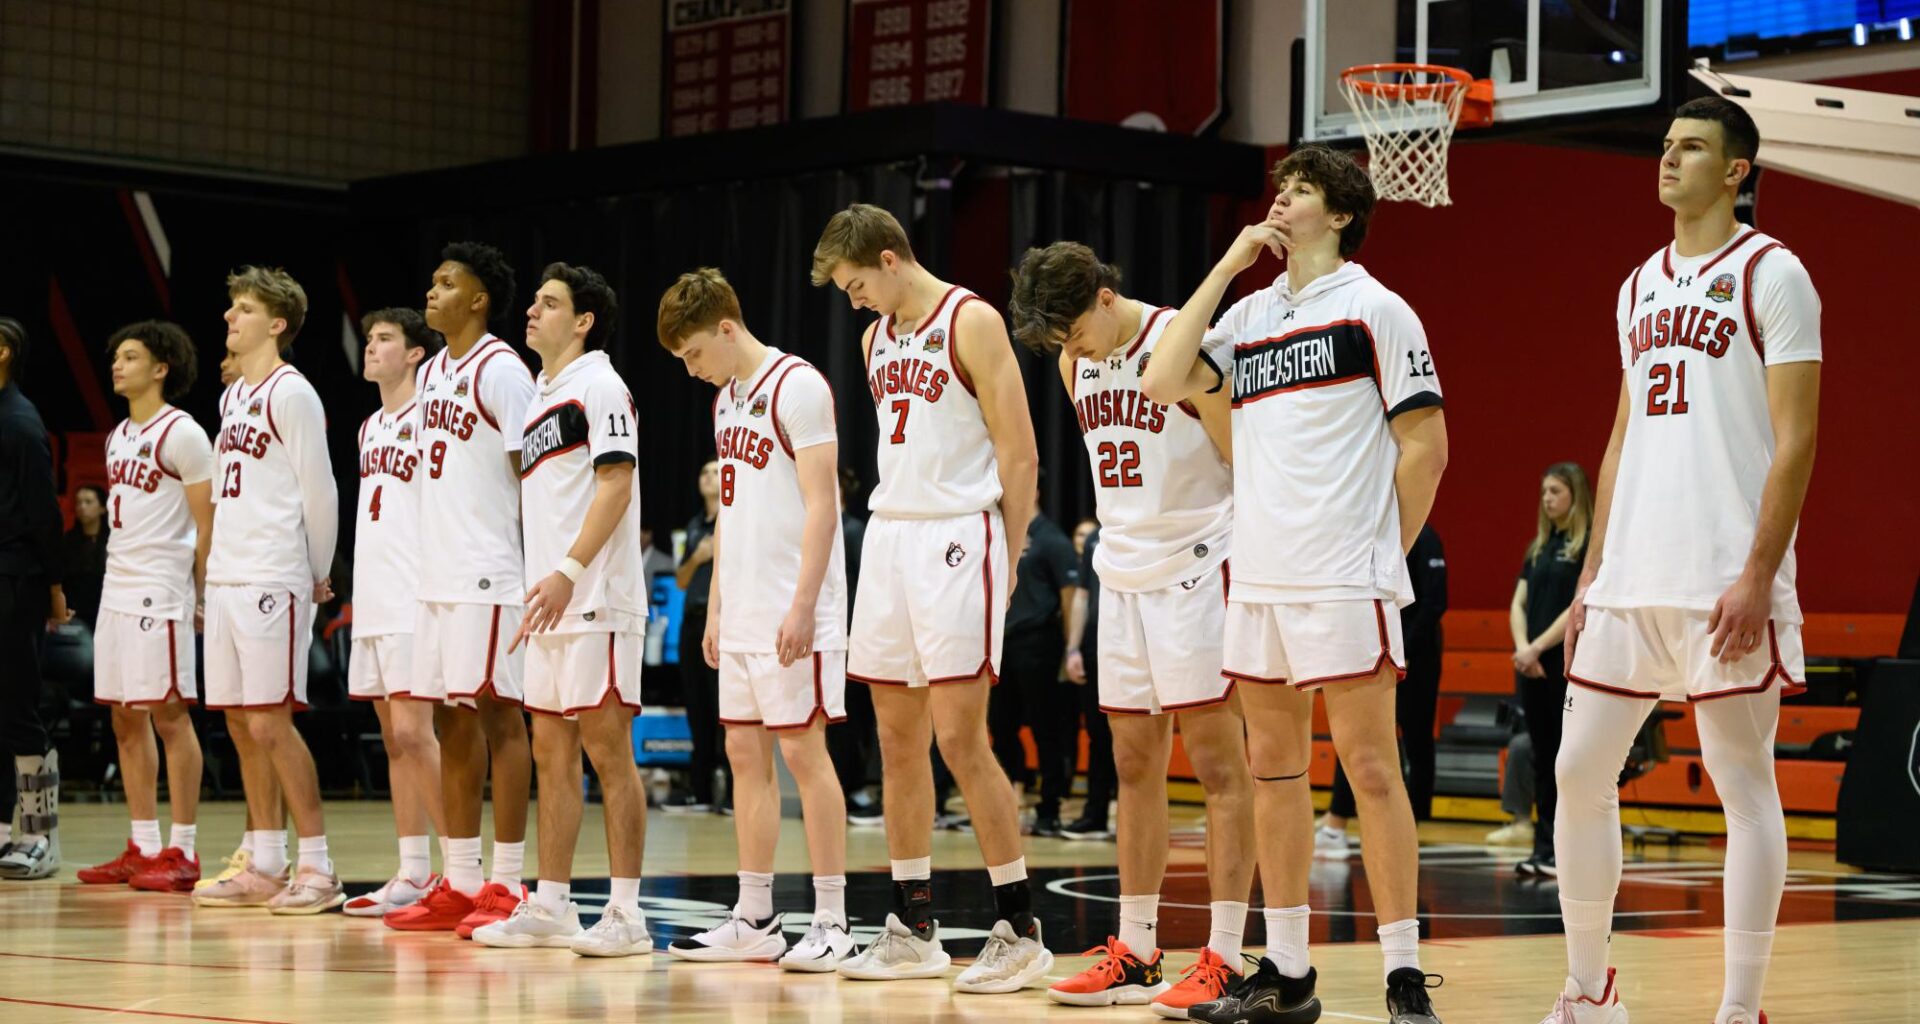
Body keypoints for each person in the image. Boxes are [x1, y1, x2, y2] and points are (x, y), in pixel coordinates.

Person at [1143, 145, 1449, 1024]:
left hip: (1344, 573)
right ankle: (1285, 970)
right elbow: (1163, 378)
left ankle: (1400, 972)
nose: (1282, 199)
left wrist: (1384, 552)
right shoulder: (1249, 314)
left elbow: (1426, 446)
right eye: (1280, 187)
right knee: (1275, 774)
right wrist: (1230, 263)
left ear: (1342, 214)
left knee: (1371, 772)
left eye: (1302, 189)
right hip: (1262, 575)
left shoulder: (1378, 309)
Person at [1541, 96, 1820, 1024]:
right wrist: (1592, 570)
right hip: (1630, 578)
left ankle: (1741, 1010)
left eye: (1692, 147)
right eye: (1665, 146)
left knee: (1744, 783)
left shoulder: (1774, 274)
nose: (1669, 160)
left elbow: (1797, 442)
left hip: (1720, 577)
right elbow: (1619, 440)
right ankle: (1589, 992)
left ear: (1736, 170)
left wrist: (1756, 573)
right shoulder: (1637, 283)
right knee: (1579, 773)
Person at [1008, 241, 1258, 1016]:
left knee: (1219, 766)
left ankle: (1223, 955)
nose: (1071, 349)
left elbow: (1241, 458)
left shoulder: (1183, 342)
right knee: (1132, 765)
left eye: (1077, 330)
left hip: (1198, 558)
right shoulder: (1073, 363)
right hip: (1122, 568)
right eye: (1059, 342)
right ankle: (1139, 950)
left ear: (1106, 296)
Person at [812, 203, 1049, 992]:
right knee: (897, 739)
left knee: (960, 735)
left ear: (888, 258)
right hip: (891, 532)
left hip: (959, 530)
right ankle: (914, 927)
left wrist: (1008, 557)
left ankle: (1020, 925)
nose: (855, 302)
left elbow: (1020, 454)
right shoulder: (876, 336)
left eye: (855, 285)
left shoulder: (970, 319)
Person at [657, 267, 856, 971]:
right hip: (740, 609)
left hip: (793, 607)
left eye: (693, 354)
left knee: (804, 754)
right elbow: (733, 518)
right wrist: (713, 605)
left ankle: (833, 917)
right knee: (745, 756)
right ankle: (756, 914)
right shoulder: (727, 402)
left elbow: (822, 504)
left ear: (727, 328)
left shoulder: (797, 386)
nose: (691, 371)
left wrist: (803, 604)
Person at [471, 262, 652, 957]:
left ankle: (628, 915)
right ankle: (550, 905)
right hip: (548, 599)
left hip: (595, 596)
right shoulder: (543, 397)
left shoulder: (601, 386)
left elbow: (616, 485)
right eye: (535, 302)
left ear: (583, 321)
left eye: (550, 304)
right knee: (551, 751)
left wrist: (570, 572)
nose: (533, 312)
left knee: (608, 750)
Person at [385, 242, 536, 937]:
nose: (432, 291)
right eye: (432, 280)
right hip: (438, 573)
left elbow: (531, 473)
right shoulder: (437, 370)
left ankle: (507, 880)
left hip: (489, 570)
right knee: (450, 721)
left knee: (500, 714)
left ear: (479, 300)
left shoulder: (502, 369)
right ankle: (462, 877)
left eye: (448, 283)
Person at [191, 267, 343, 914]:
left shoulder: (293, 392)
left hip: (274, 573)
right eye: (231, 308)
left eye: (244, 309)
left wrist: (314, 573)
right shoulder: (233, 398)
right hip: (228, 571)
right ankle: (265, 859)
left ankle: (318, 865)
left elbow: (321, 488)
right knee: (238, 721)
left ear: (276, 323)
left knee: (271, 721)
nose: (231, 317)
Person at [74, 321, 212, 893]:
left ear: (162, 368)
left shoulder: (183, 433)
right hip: (118, 586)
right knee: (123, 717)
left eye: (130, 357)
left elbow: (208, 524)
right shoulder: (116, 437)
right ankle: (144, 845)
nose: (117, 365)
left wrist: (204, 593)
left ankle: (184, 849)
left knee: (170, 714)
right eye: (115, 356)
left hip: (164, 587)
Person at [339, 309, 448, 917]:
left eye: (385, 339)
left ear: (414, 354)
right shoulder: (368, 427)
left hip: (415, 592)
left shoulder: (431, 417)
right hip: (374, 594)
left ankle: (460, 871)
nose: (371, 347)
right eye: (371, 337)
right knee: (392, 738)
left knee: (413, 731)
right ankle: (412, 870)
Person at [1317, 524, 1449, 854]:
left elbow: (1435, 603)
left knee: (1417, 739)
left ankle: (1412, 823)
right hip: (1377, 649)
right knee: (1357, 738)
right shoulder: (1373, 531)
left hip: (1415, 657)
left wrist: (1399, 647)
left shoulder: (1427, 537)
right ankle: (1338, 822)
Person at [0, 316, 71, 880]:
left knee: (17, 702)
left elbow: (46, 515)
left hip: (14, 578)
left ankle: (38, 834)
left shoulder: (22, 425)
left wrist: (53, 586)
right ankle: (6, 827)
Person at [1507, 464, 1591, 876]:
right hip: (1532, 668)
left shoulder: (1586, 547)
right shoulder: (1538, 547)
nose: (1547, 499)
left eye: (1555, 491)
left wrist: (1539, 646)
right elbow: (1518, 602)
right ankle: (1544, 849)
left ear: (1575, 494)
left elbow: (1577, 606)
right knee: (1541, 758)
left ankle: (1568, 851)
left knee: (1567, 760)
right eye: (1543, 492)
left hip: (1564, 666)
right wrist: (1524, 649)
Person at [992, 508, 1079, 837]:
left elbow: (1069, 595)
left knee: (1046, 730)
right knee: (1000, 725)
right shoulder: (999, 531)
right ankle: (1011, 793)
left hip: (1038, 642)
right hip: (1002, 642)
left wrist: (1070, 648)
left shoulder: (1051, 539)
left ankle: (1049, 807)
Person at [667, 460, 727, 814]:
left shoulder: (734, 520)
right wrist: (700, 556)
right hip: (691, 622)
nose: (709, 477)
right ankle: (701, 791)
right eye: (704, 472)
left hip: (721, 620)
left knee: (725, 708)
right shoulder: (693, 527)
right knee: (696, 707)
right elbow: (681, 579)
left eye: (716, 471)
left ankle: (732, 793)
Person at [829, 466, 883, 826]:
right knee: (836, 722)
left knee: (856, 723)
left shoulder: (852, 530)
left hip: (854, 639)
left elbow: (869, 584)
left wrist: (859, 633)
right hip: (828, 639)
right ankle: (841, 789)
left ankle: (859, 790)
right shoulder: (823, 531)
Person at [1059, 523, 1116, 843]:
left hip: (1135, 645)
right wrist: (1073, 648)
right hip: (1095, 648)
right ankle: (1095, 814)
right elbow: (1081, 595)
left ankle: (1131, 814)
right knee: (1097, 736)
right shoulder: (1096, 538)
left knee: (1137, 738)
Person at [62, 485, 110, 627]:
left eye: (88, 502)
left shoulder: (113, 541)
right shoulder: (67, 541)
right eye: (78, 502)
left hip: (105, 611)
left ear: (102, 508)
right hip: (76, 613)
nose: (82, 507)